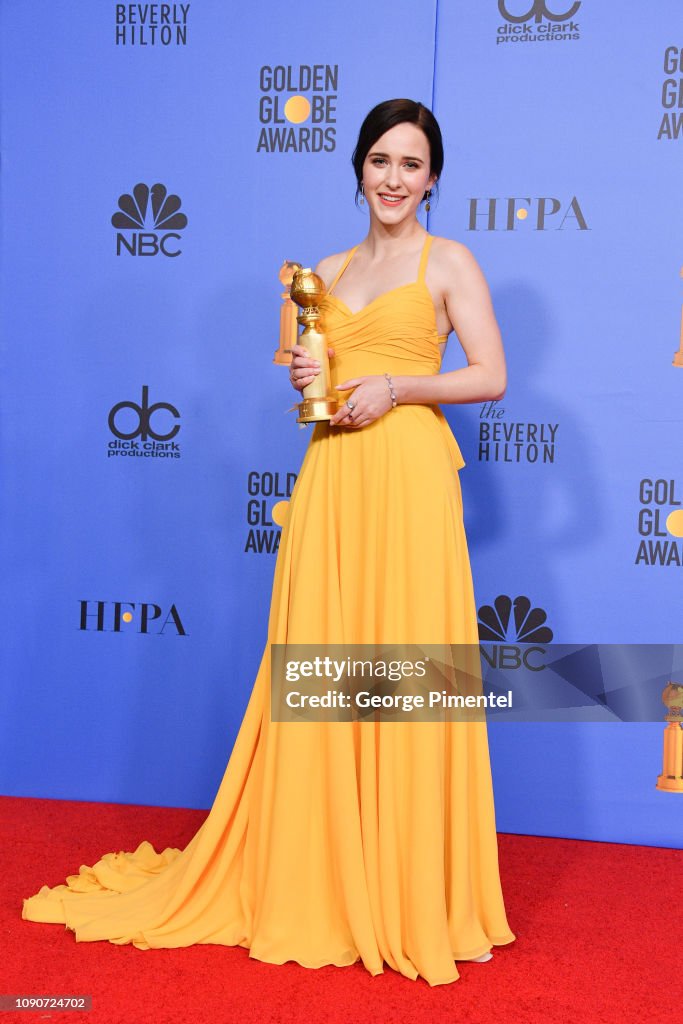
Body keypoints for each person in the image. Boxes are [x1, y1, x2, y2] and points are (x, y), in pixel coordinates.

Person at [22, 98, 516, 987]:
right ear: (358, 171)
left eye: (410, 163)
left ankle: (405, 885)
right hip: (330, 479)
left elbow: (490, 375)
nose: (393, 178)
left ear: (433, 176)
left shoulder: (451, 262)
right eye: (379, 161)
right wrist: (312, 371)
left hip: (405, 481)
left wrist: (397, 388)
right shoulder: (319, 271)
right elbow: (313, 375)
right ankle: (319, 873)